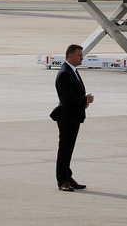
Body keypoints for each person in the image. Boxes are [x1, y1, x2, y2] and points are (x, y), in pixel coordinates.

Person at [50, 44, 94, 191]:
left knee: (68, 149)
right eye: (79, 55)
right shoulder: (64, 74)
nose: (82, 58)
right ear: (70, 56)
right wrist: (85, 100)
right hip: (67, 116)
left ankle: (68, 177)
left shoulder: (72, 71)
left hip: (73, 115)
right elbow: (68, 98)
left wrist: (83, 102)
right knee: (65, 149)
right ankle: (62, 181)